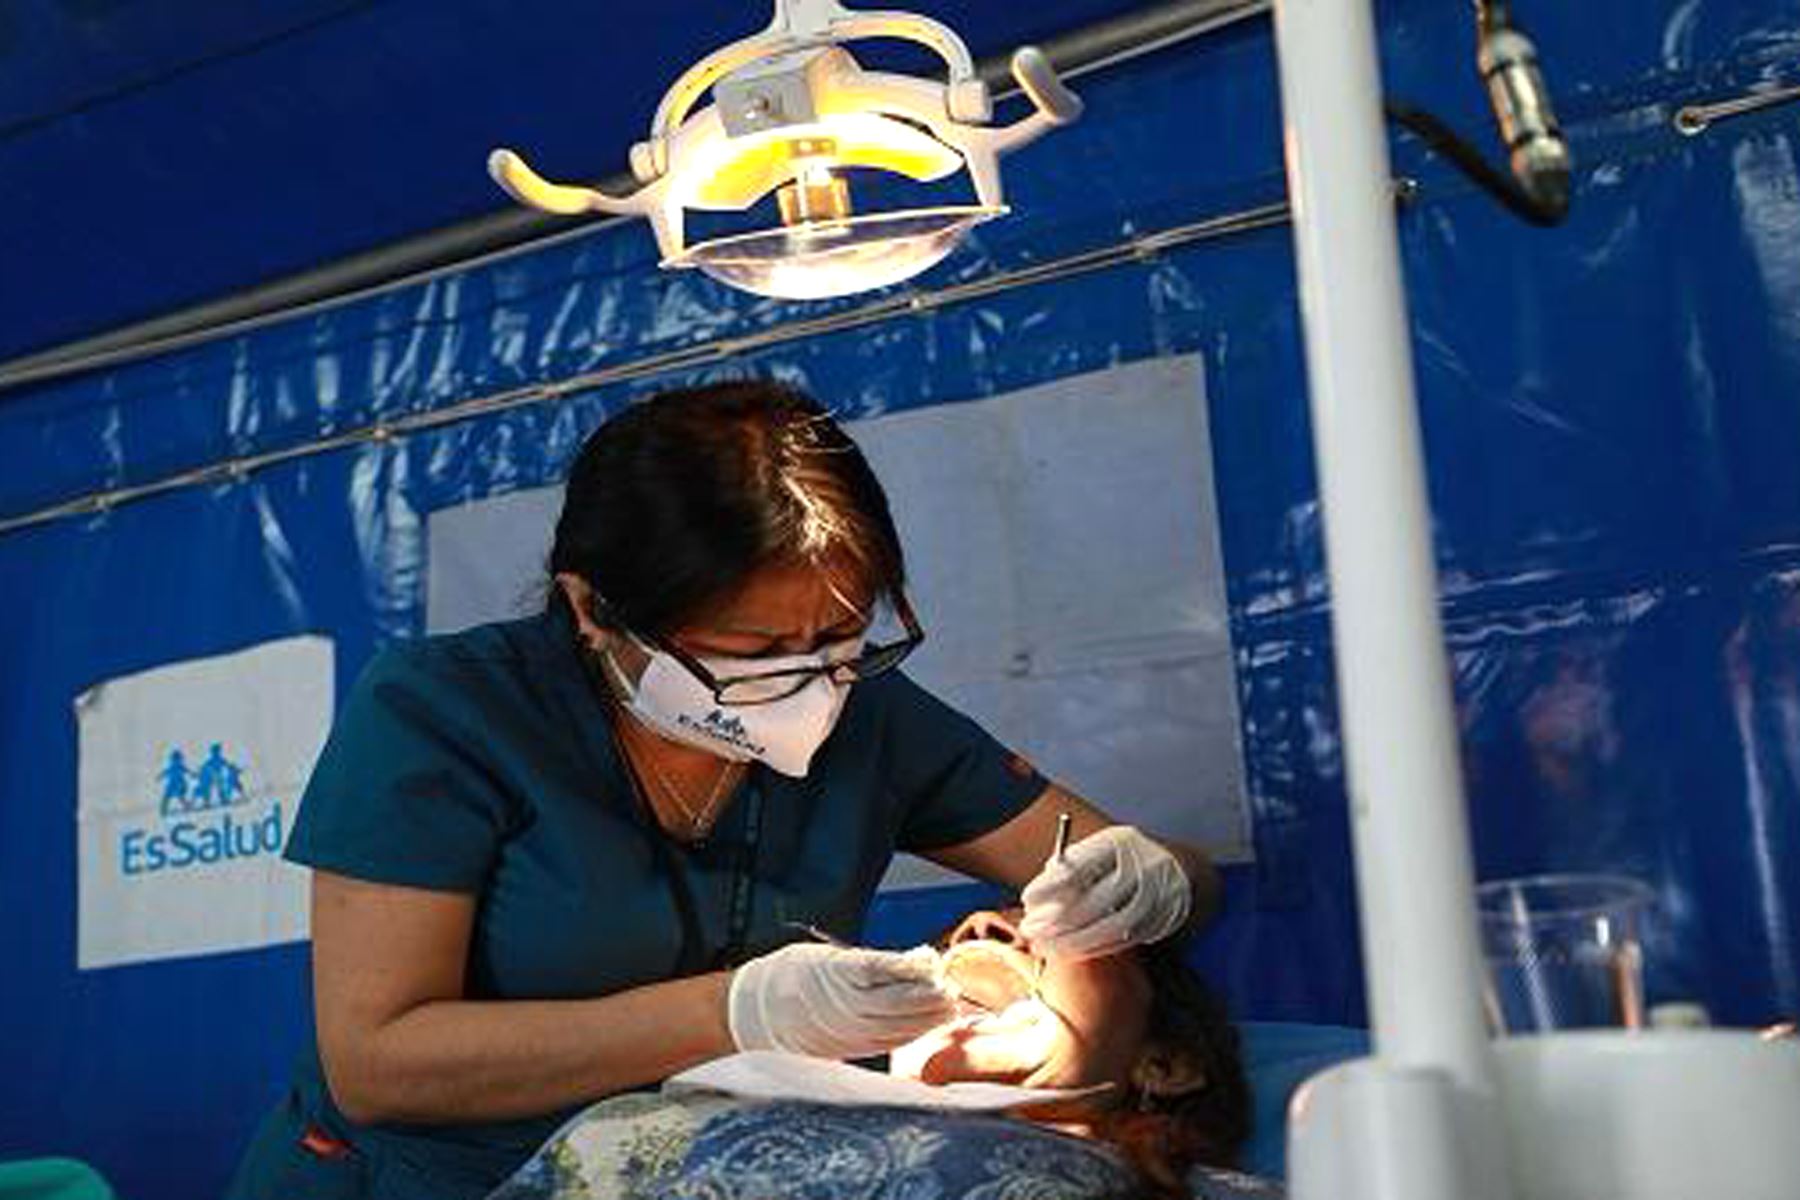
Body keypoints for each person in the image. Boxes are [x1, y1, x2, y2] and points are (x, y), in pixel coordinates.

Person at [226, 380, 1220, 1200]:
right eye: (752, 654)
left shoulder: (871, 717)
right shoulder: (448, 711)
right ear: (592, 610)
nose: (808, 683)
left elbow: (1126, 869)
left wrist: (1158, 879)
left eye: (837, 640)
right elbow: (378, 1064)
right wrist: (739, 1012)